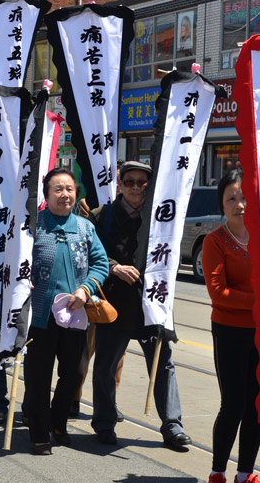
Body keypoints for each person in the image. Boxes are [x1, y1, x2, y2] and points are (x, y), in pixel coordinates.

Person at [89, 161, 192, 451]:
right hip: (114, 303)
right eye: (130, 182)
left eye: (142, 183)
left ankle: (172, 425)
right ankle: (105, 422)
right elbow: (87, 253)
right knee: (106, 366)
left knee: (163, 364)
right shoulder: (103, 216)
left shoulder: (162, 215)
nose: (136, 188)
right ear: (119, 184)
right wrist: (114, 267)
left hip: (152, 304)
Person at [24, 168, 108, 455]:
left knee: (71, 374)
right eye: (58, 189)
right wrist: (24, 278)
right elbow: (17, 260)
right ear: (46, 195)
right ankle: (39, 431)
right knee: (38, 375)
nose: (65, 194)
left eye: (70, 189)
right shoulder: (34, 225)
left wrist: (84, 291)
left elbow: (100, 264)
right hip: (40, 315)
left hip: (75, 315)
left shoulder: (85, 228)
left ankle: (58, 422)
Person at [202, 170, 260, 483]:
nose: (239, 204)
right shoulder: (215, 241)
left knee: (257, 403)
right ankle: (218, 471)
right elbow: (218, 292)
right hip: (229, 331)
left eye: (243, 197)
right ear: (222, 205)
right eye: (231, 199)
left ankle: (245, 473)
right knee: (234, 402)